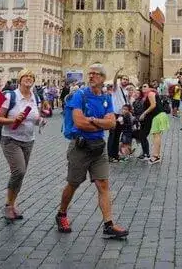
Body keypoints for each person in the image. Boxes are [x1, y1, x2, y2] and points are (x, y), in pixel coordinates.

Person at [56, 63, 128, 238]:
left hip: (98, 147)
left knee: (103, 184)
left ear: (103, 78)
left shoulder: (106, 97)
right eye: (90, 73)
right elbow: (80, 122)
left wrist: (94, 120)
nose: (91, 76)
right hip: (80, 146)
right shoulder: (79, 95)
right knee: (73, 183)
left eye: (95, 74)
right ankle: (61, 214)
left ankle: (109, 224)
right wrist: (101, 123)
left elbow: (112, 123)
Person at [0, 68, 43, 221]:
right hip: (10, 139)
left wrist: (40, 121)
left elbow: (35, 118)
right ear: (20, 80)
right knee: (19, 171)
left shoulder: (35, 97)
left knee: (20, 174)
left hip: (28, 140)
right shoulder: (10, 96)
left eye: (31, 76)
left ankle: (13, 203)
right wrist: (13, 120)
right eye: (25, 76)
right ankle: (8, 205)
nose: (28, 78)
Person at [141, 84, 170, 163]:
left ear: (150, 88)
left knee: (156, 136)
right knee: (157, 136)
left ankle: (155, 156)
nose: (143, 88)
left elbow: (153, 105)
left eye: (145, 86)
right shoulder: (149, 94)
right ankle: (157, 155)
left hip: (158, 116)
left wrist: (144, 113)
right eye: (142, 86)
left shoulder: (150, 93)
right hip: (158, 115)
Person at [107, 70, 128, 163]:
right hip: (114, 115)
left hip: (121, 116)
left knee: (117, 136)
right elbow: (115, 81)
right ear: (121, 80)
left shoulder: (126, 91)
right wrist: (117, 73)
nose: (125, 81)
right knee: (112, 135)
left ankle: (115, 155)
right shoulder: (116, 88)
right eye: (124, 79)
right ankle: (110, 156)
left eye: (127, 79)